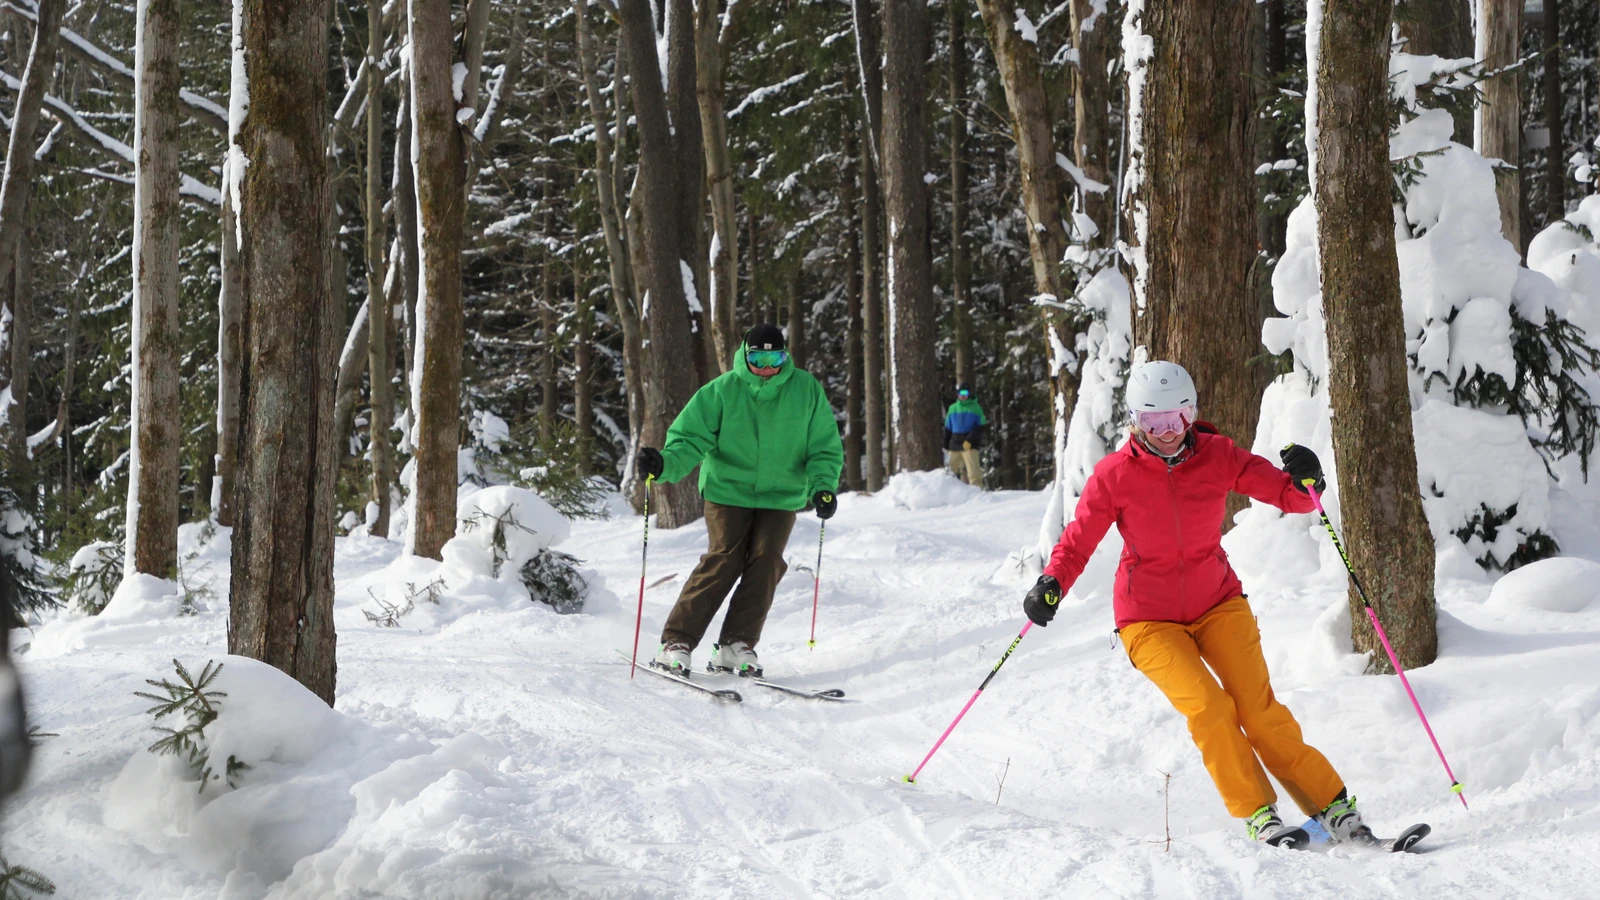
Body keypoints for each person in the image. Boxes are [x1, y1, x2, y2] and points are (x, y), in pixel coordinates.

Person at [1021, 360, 1376, 848]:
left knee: (1259, 711)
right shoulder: (1114, 475)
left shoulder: (1218, 455)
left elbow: (1288, 496)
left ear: (1191, 414)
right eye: (1153, 421)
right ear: (1134, 421)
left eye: (1177, 417)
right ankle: (1258, 813)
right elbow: (1077, 541)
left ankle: (1333, 807)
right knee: (1210, 707)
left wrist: (1307, 481)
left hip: (1218, 602)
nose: (1167, 431)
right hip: (1148, 620)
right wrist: (1052, 582)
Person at [637, 324, 844, 679]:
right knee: (725, 558)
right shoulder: (721, 391)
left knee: (767, 561)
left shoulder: (805, 389)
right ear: (745, 356)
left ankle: (736, 643)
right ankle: (676, 641)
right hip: (727, 491)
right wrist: (664, 464)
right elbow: (688, 440)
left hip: (781, 495)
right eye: (758, 359)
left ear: (785, 357)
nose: (767, 367)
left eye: (774, 358)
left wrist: (822, 487)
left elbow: (823, 446)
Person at [942, 382, 987, 487]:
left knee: (973, 473)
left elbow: (981, 427)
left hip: (970, 445)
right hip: (955, 445)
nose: (963, 395)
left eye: (965, 393)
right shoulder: (952, 408)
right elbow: (948, 428)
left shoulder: (976, 408)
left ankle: (977, 492)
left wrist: (970, 439)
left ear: (969, 393)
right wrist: (946, 445)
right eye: (960, 393)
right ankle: (948, 491)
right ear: (957, 394)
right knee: (949, 472)